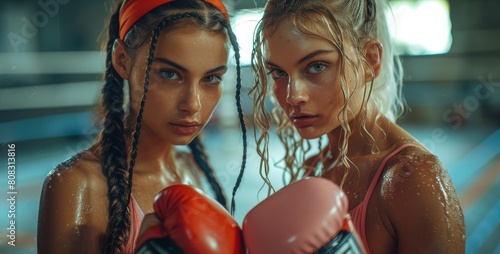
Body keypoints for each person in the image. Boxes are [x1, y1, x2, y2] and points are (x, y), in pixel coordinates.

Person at [246, 0, 466, 253]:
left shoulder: (413, 177)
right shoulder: (316, 166)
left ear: (370, 61)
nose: (293, 96)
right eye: (278, 73)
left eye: (316, 66)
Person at [37, 0, 247, 253]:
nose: (192, 104)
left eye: (211, 78)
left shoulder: (191, 169)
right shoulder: (79, 184)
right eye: (169, 74)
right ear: (122, 59)